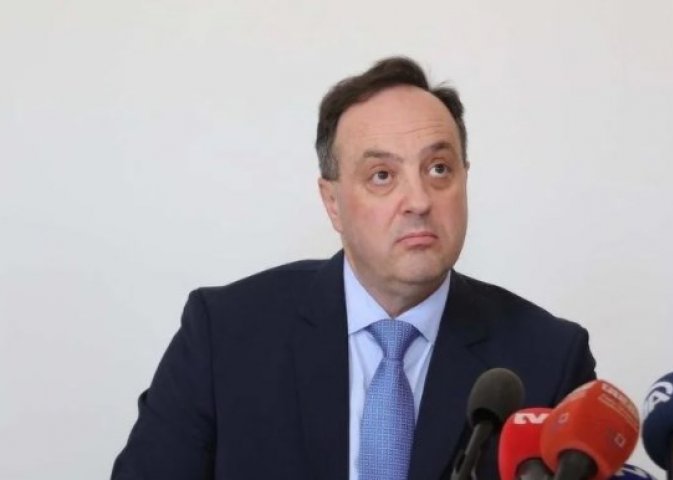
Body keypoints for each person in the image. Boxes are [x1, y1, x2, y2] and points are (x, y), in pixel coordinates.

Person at [111, 57, 596, 480]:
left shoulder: (549, 358)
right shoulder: (224, 335)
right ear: (333, 203)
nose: (419, 200)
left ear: (465, 180)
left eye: (439, 169)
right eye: (382, 176)